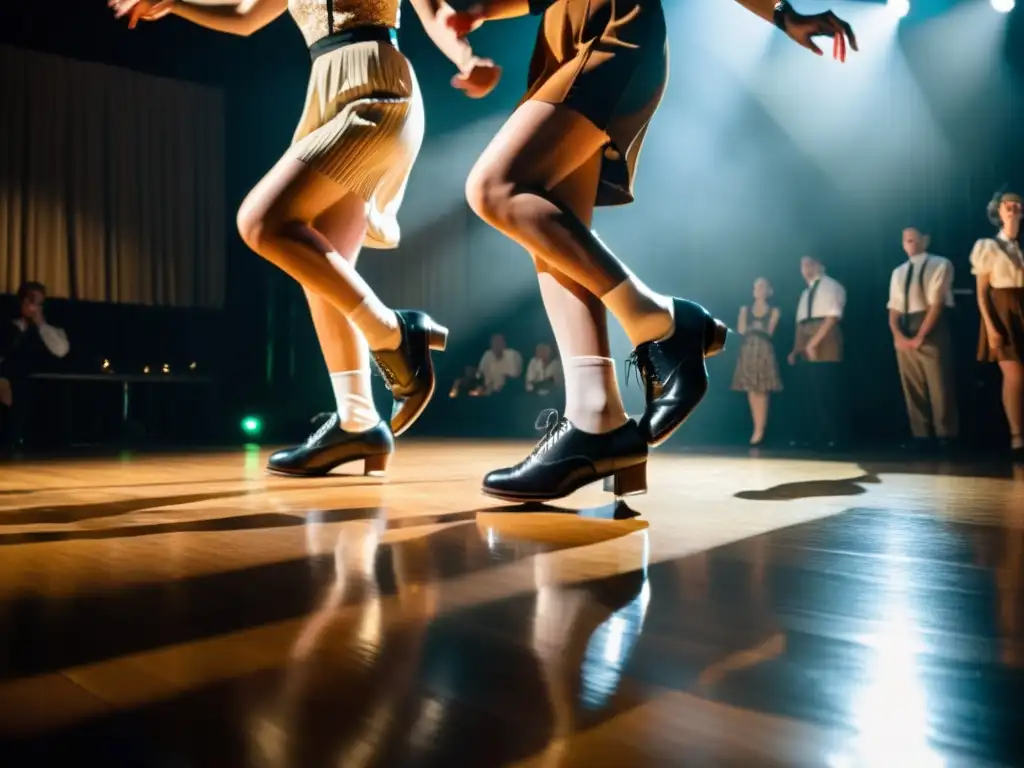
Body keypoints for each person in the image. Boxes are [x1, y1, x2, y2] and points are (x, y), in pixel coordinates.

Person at [437, 0, 857, 502]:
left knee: (495, 188)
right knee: (554, 237)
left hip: (616, 22)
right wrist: (483, 10)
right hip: (559, 39)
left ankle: (660, 321)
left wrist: (783, 15)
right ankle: (597, 419)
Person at [108, 0, 496, 477]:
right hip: (328, 92)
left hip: (378, 85)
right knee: (322, 270)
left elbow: (436, 11)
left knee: (260, 221)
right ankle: (358, 419)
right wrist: (175, 3)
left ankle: (394, 333)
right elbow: (245, 15)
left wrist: (465, 59)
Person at [887, 227, 957, 449]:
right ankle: (921, 435)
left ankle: (945, 435)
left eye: (914, 238)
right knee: (912, 384)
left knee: (939, 382)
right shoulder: (898, 271)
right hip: (906, 324)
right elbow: (894, 309)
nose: (909, 242)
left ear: (925, 239)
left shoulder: (940, 263)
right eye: (905, 239)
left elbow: (936, 304)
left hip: (929, 323)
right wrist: (898, 335)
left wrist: (920, 336)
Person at [971, 191, 1024, 456]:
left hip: (1022, 306)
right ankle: (1017, 437)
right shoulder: (987, 246)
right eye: (1007, 206)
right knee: (1014, 375)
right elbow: (981, 292)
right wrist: (991, 327)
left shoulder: (1020, 247)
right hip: (1003, 312)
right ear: (999, 212)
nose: (1013, 209)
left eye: (1017, 206)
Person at [0, 281, 71, 449]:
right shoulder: (9, 326)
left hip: (42, 384)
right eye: (30, 302)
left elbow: (61, 350)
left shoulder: (50, 328)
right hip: (14, 382)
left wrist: (40, 324)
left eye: (38, 303)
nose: (34, 308)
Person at [786, 256, 847, 448]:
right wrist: (797, 348)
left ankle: (834, 436)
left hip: (825, 341)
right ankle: (815, 435)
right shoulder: (806, 292)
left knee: (827, 391)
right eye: (803, 264)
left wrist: (814, 342)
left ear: (821, 264)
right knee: (811, 393)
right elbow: (800, 323)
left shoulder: (832, 286)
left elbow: (832, 317)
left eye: (811, 263)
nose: (806, 268)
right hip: (807, 341)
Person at [731, 277, 782, 446]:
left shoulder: (774, 310)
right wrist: (743, 317)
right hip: (748, 349)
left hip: (763, 350)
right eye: (756, 286)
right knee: (751, 389)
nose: (758, 289)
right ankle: (756, 428)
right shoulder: (745, 309)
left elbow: (769, 332)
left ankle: (760, 428)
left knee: (762, 389)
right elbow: (741, 330)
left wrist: (755, 328)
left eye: (762, 286)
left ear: (769, 290)